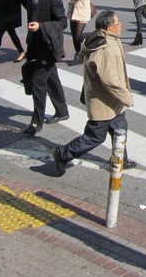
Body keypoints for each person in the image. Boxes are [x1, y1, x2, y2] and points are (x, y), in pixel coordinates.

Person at [51, 11, 138, 176]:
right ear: (109, 26)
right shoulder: (106, 47)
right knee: (94, 136)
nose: (121, 25)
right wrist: (126, 97)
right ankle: (63, 154)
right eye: (118, 22)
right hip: (104, 102)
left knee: (120, 127)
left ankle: (121, 159)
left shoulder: (103, 38)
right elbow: (110, 80)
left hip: (111, 102)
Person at [22, 0, 70, 136]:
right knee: (52, 79)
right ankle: (62, 111)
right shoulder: (30, 0)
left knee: (38, 83)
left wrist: (42, 27)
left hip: (49, 49)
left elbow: (63, 22)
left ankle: (36, 122)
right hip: (35, 47)